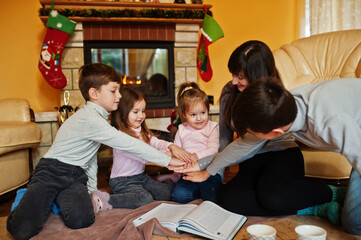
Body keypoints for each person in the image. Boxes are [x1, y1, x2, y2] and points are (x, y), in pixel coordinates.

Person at [169, 41, 346, 224]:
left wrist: (207, 170)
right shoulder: (230, 92)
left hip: (282, 154)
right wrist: (217, 174)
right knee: (229, 198)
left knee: (271, 195)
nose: (234, 81)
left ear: (257, 75)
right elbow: (224, 138)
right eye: (233, 74)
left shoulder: (273, 96)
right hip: (248, 159)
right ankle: (313, 208)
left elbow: (249, 143)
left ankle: (332, 193)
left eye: (240, 76)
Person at [6, 63, 185, 240]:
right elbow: (130, 144)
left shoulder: (100, 120)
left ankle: (52, 198)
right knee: (21, 230)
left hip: (75, 175)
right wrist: (167, 161)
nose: (119, 95)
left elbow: (90, 158)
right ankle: (26, 196)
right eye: (113, 91)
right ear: (94, 93)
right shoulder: (90, 119)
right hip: (52, 170)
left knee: (82, 219)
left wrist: (91, 190)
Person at [229, 76, 361, 235]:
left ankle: (340, 195)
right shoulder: (281, 105)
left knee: (353, 224)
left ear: (277, 133)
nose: (250, 136)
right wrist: (205, 167)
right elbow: (244, 145)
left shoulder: (329, 121)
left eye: (253, 133)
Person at [95, 86, 191, 210]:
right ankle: (105, 200)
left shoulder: (140, 131)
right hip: (122, 181)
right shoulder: (120, 137)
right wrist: (170, 155)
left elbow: (155, 141)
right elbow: (144, 157)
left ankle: (166, 180)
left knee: (167, 194)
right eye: (136, 112)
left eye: (143, 111)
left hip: (140, 176)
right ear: (123, 113)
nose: (141, 116)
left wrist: (171, 146)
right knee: (144, 199)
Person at [169, 82, 221, 204]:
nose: (199, 118)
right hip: (188, 173)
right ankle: (197, 195)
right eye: (193, 115)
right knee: (178, 196)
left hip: (209, 172)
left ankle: (204, 196)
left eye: (203, 113)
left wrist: (196, 156)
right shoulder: (181, 129)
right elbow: (176, 151)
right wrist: (181, 164)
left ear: (208, 110)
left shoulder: (212, 127)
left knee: (212, 195)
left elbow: (213, 149)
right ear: (184, 115)